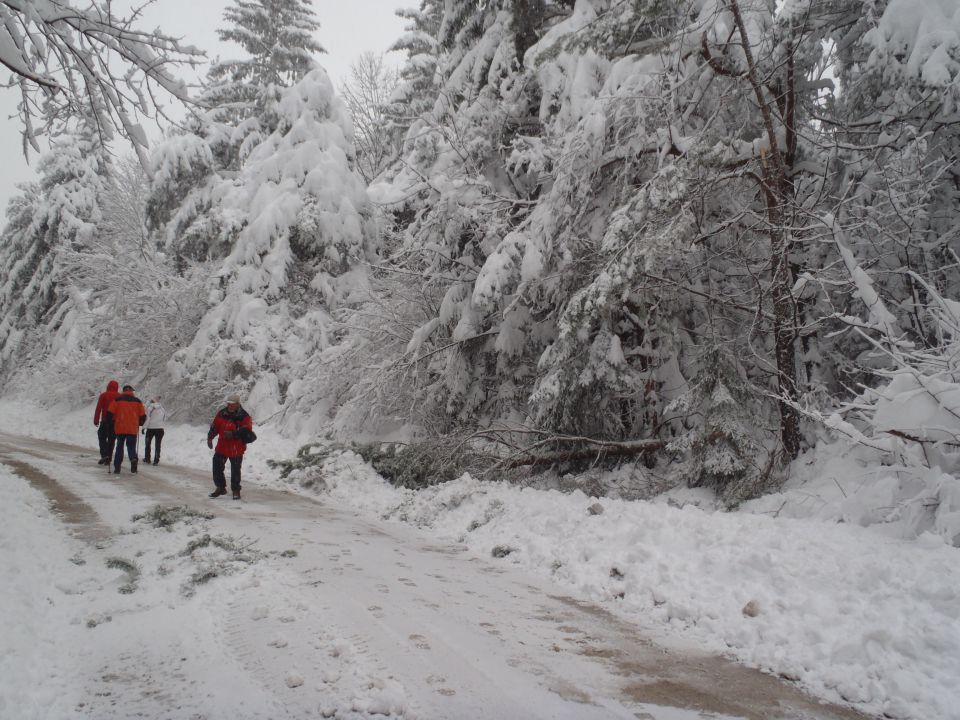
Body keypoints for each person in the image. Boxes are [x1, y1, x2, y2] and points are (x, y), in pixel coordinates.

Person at [207, 394, 254, 500]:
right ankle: (220, 487)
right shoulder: (221, 413)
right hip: (222, 447)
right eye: (229, 404)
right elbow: (215, 426)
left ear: (238, 404)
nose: (230, 406)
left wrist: (234, 434)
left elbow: (247, 430)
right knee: (217, 467)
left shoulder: (244, 416)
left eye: (232, 404)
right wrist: (210, 438)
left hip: (236, 448)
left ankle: (236, 490)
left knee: (236, 470)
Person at [107, 385, 147, 474]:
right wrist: (140, 423)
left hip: (120, 427)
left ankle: (117, 467)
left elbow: (109, 412)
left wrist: (109, 423)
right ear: (131, 391)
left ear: (123, 391)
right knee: (131, 446)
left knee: (119, 447)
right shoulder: (138, 401)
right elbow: (143, 415)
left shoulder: (117, 400)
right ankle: (133, 459)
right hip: (132, 428)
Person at [93, 380, 120, 465]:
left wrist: (96, 420)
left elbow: (98, 408)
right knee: (112, 440)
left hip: (105, 421)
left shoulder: (103, 395)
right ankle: (108, 458)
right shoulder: (119, 396)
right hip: (115, 422)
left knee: (102, 437)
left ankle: (104, 454)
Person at [143, 397, 166, 465]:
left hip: (151, 429)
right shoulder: (162, 409)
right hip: (160, 429)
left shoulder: (150, 408)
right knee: (158, 444)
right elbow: (164, 418)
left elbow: (148, 419)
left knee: (148, 443)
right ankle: (156, 460)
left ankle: (147, 458)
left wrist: (143, 427)